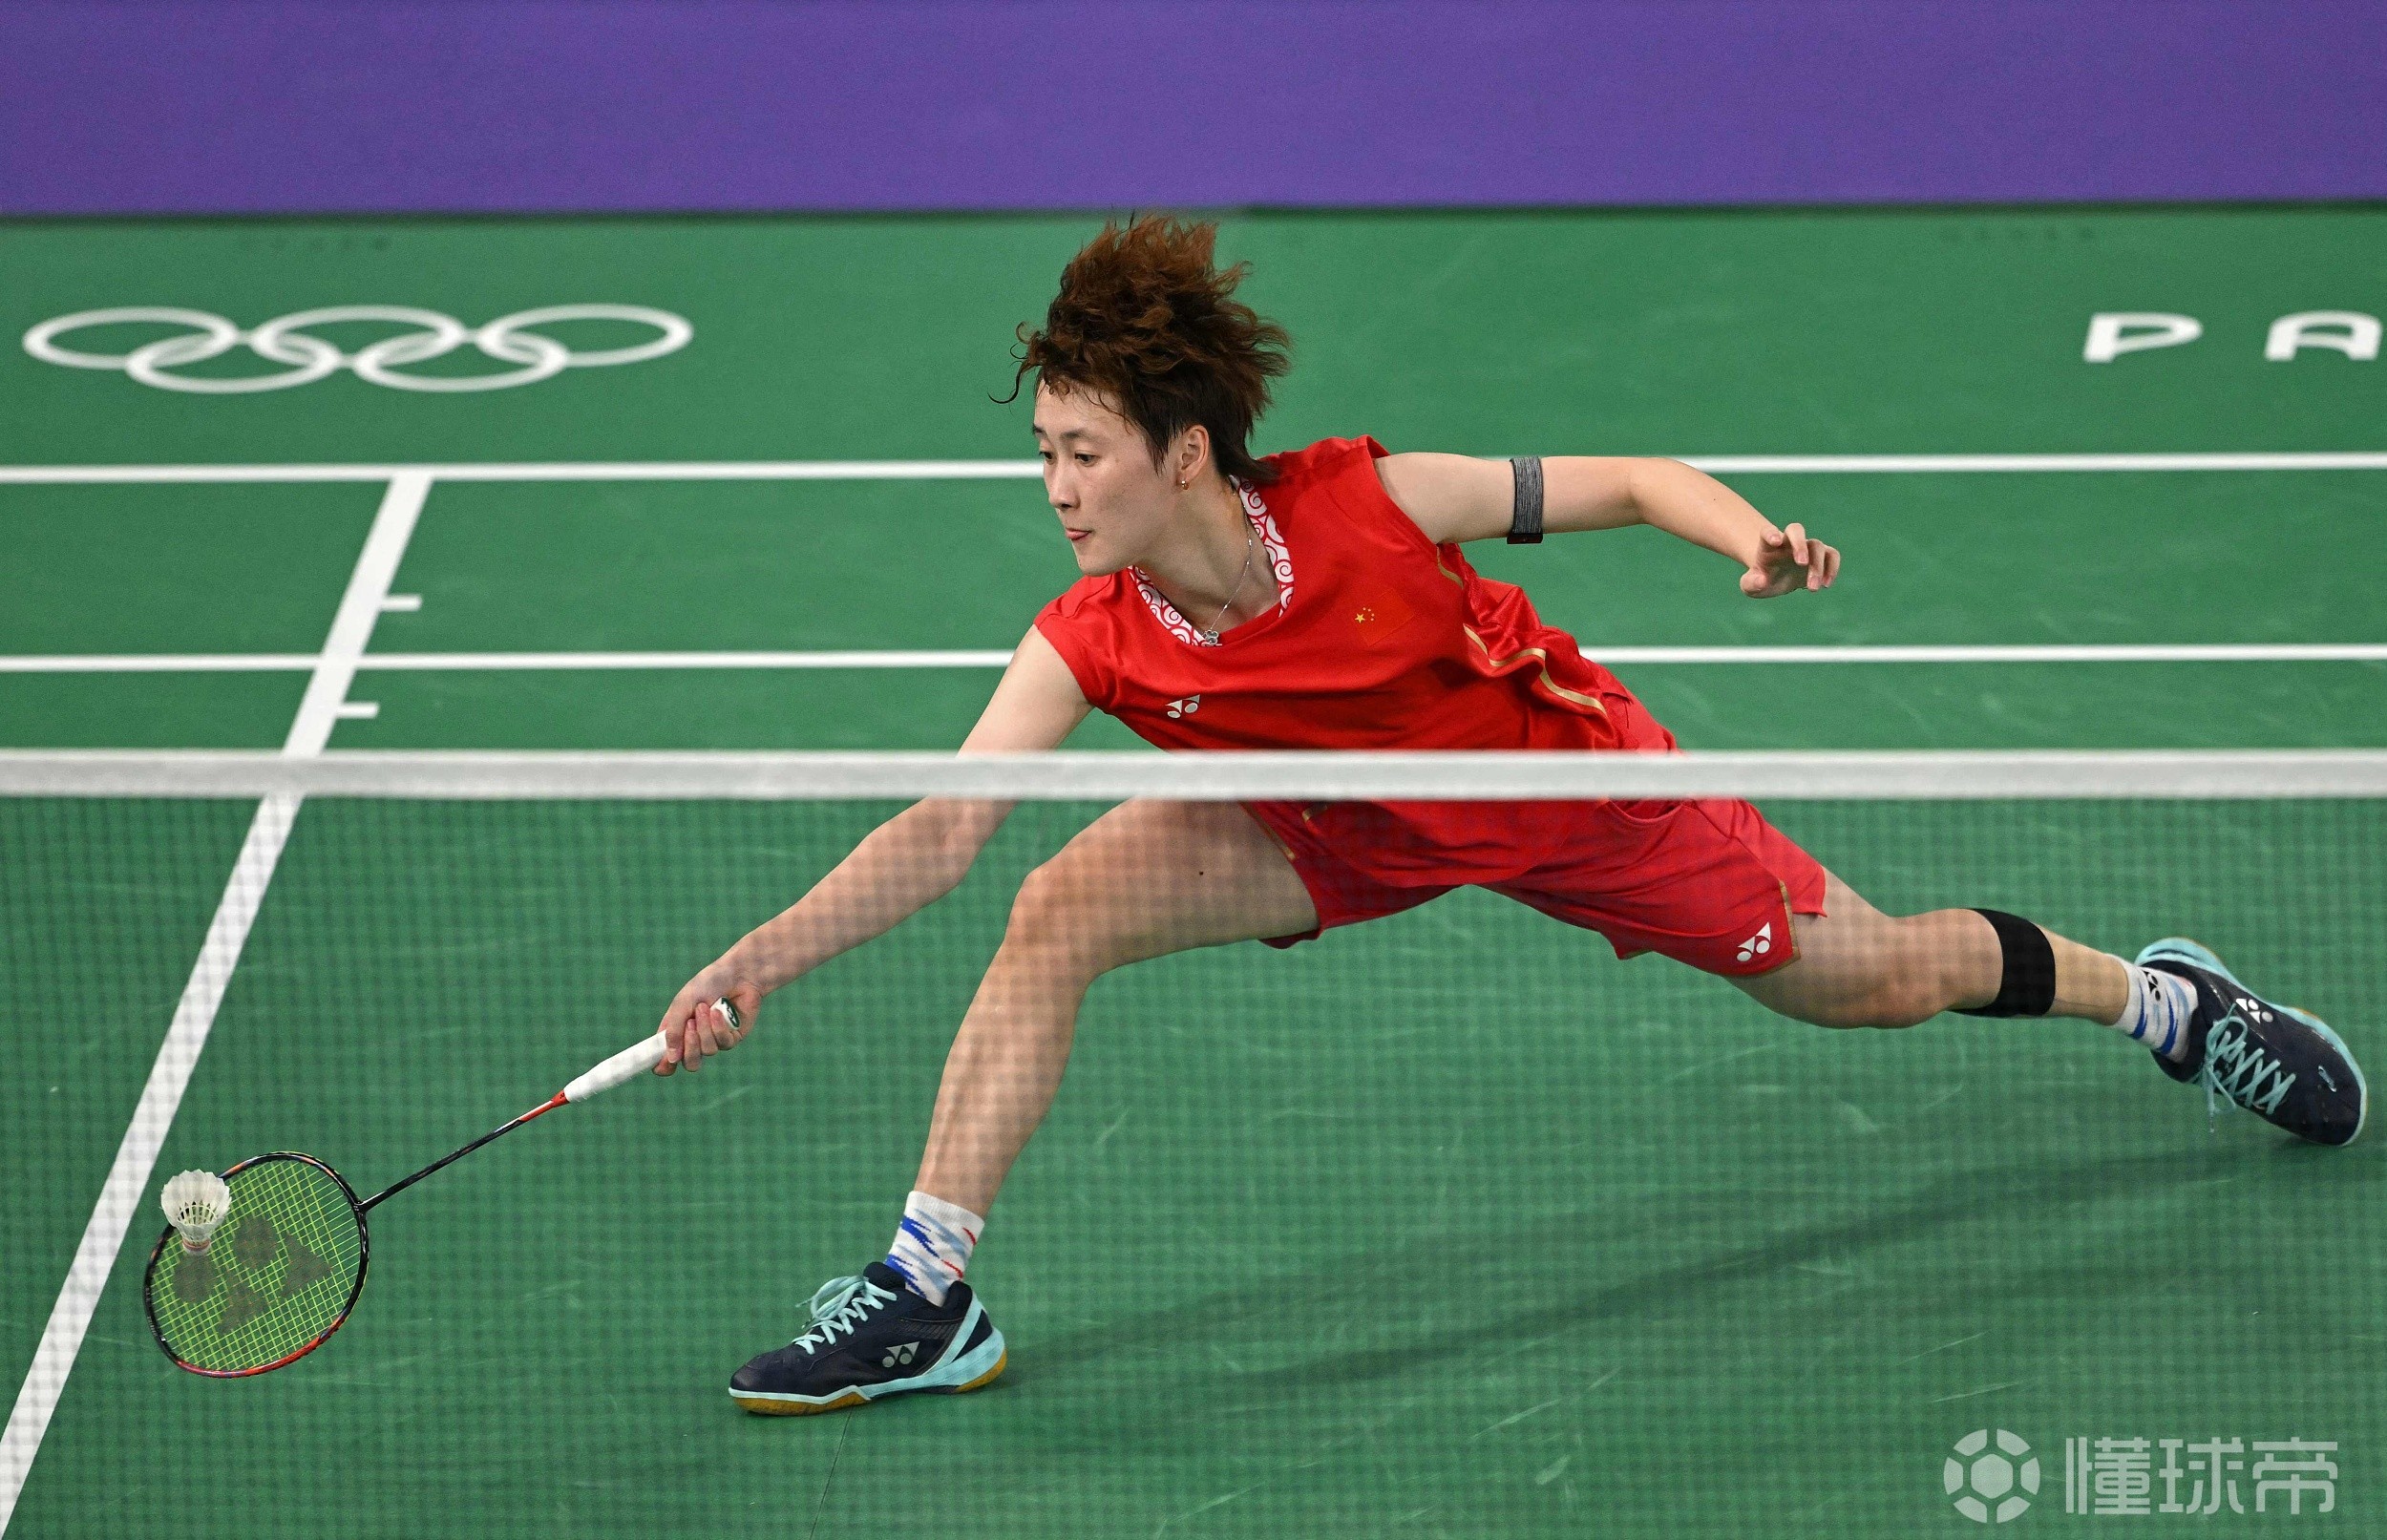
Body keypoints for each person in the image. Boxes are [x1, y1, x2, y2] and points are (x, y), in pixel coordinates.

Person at [653, 216, 2366, 1418]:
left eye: (1081, 451)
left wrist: (1745, 535)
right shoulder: (1089, 635)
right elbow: (942, 834)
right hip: (1328, 824)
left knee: (1874, 976)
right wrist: (755, 962)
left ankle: (2171, 1002)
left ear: (1184, 453)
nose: (1054, 485)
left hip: (1564, 790)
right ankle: (927, 1290)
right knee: (1054, 906)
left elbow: (1622, 480)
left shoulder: (1368, 504)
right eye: (1041, 449)